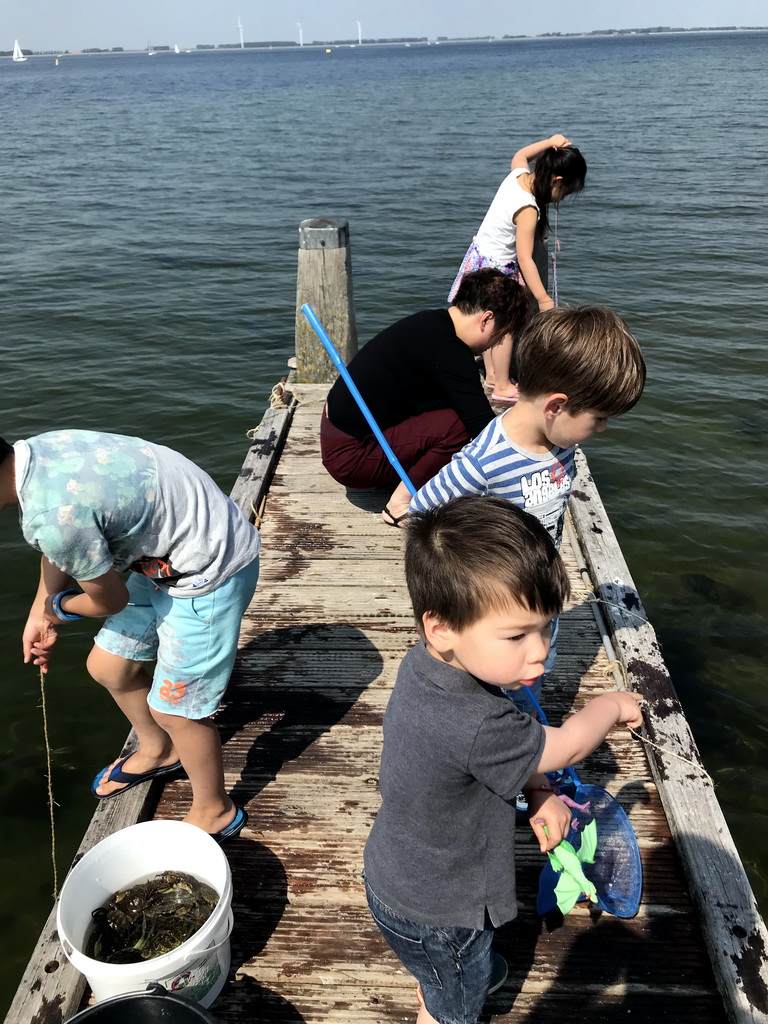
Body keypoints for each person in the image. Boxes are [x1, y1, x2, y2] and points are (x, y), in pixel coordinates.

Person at [363, 496, 644, 1024]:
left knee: (451, 969)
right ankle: (443, 1003)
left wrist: (537, 790)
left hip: (403, 873)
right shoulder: (478, 722)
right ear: (441, 626)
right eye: (516, 635)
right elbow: (567, 746)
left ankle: (447, 977)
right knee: (455, 1002)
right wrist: (609, 705)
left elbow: (502, 756)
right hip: (442, 909)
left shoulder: (430, 665)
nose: (538, 651)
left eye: (547, 627)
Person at [0, 429, 261, 841]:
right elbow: (62, 545)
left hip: (210, 568)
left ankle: (215, 810)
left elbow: (109, 600)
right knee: (109, 667)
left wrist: (60, 610)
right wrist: (40, 613)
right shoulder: (35, 455)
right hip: (165, 554)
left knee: (176, 709)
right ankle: (160, 750)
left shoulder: (50, 517)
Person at [408, 306, 646, 706]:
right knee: (488, 686)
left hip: (537, 587)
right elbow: (422, 513)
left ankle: (524, 723)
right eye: (599, 418)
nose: (602, 429)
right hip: (496, 600)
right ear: (555, 406)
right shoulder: (484, 460)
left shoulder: (560, 444)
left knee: (533, 671)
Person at [320, 268, 529, 527]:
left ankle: (403, 481)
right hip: (351, 458)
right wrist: (528, 452)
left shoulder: (429, 322)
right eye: (500, 334)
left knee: (451, 414)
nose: (493, 344)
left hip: (338, 433)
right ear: (486, 319)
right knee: (457, 426)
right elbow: (483, 429)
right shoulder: (451, 352)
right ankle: (399, 505)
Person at [448, 133, 587, 403]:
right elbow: (525, 258)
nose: (559, 200)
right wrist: (544, 300)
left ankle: (490, 376)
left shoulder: (517, 177)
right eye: (564, 193)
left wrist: (549, 142)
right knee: (504, 326)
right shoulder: (528, 210)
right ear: (557, 181)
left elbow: (521, 155)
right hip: (500, 269)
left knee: (485, 322)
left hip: (480, 260)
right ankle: (501, 385)